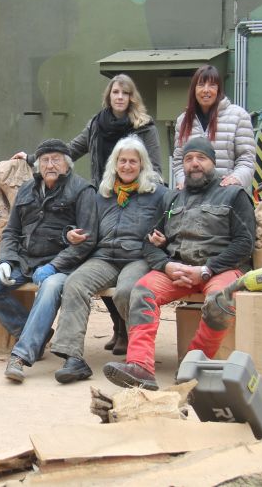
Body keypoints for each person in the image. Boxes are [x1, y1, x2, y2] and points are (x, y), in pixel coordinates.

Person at [13, 74, 163, 351]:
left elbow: (154, 166)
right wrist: (36, 159)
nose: (120, 97)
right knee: (96, 256)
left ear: (132, 98)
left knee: (124, 270)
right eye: (115, 92)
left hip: (137, 196)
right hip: (104, 195)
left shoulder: (143, 126)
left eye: (125, 93)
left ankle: (129, 335)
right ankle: (118, 328)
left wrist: (152, 197)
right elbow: (71, 150)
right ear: (109, 96)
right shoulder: (97, 124)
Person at [104, 137, 256, 390]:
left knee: (220, 300)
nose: (194, 164)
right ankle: (140, 366)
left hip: (221, 268)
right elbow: (149, 243)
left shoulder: (234, 194)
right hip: (179, 268)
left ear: (213, 163)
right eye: (188, 159)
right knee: (141, 291)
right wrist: (166, 265)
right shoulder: (172, 199)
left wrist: (206, 270)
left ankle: (194, 365)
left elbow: (245, 244)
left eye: (201, 158)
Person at [0, 139, 98, 383]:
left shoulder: (83, 191)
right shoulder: (26, 190)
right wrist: (6, 260)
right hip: (25, 260)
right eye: (45, 160)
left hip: (61, 263)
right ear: (38, 165)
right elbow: (11, 231)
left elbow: (87, 239)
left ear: (67, 164)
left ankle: (20, 357)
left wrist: (54, 266)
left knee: (51, 287)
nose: (50, 164)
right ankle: (31, 334)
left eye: (56, 159)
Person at [49, 136, 166, 383]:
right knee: (75, 283)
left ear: (142, 164)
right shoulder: (102, 194)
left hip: (138, 257)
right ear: (114, 164)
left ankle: (137, 358)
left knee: (128, 291)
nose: (126, 166)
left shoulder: (158, 194)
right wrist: (69, 233)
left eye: (132, 161)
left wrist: (162, 240)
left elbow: (170, 225)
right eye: (122, 161)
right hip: (104, 256)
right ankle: (73, 358)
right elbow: (84, 226)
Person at [172, 65, 256, 191]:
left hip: (226, 195)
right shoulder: (183, 120)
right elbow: (179, 159)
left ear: (219, 89)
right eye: (201, 85)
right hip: (192, 195)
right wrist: (183, 181)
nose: (206, 90)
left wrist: (235, 180)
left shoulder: (238, 116)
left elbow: (246, 158)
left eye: (212, 85)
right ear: (194, 89)